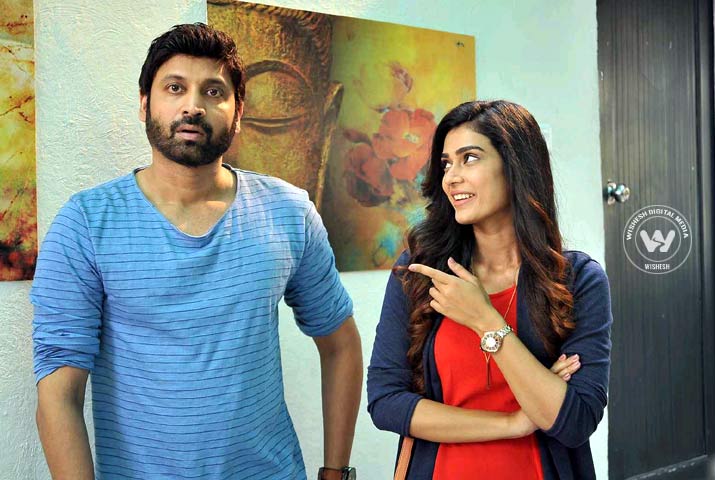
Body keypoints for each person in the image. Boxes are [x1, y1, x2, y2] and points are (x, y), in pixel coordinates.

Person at [31, 23, 362, 480]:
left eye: (213, 91)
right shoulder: (86, 223)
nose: (193, 105)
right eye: (175, 88)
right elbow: (58, 394)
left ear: (238, 111)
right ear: (144, 103)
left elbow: (341, 345)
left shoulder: (288, 211)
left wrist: (336, 472)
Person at [367, 100, 612, 479]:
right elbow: (386, 402)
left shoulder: (578, 279)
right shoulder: (420, 271)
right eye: (446, 163)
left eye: (469, 158)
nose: (451, 177)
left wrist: (486, 321)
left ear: (515, 167)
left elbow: (575, 420)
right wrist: (512, 423)